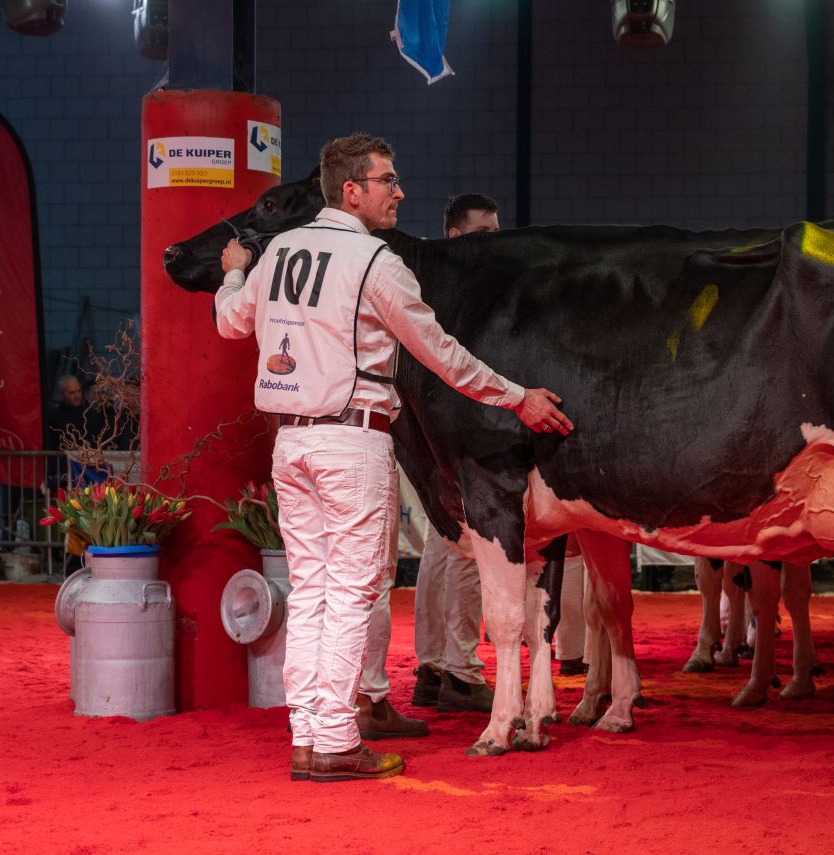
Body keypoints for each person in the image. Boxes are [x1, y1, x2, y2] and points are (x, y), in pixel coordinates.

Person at [213, 133, 572, 783]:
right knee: (351, 593)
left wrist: (235, 269)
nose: (399, 192)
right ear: (351, 190)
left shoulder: (280, 252)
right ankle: (334, 740)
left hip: (291, 441)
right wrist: (517, 396)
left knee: (313, 591)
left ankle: (310, 735)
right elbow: (443, 355)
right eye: (388, 180)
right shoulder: (377, 262)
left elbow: (231, 320)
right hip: (351, 437)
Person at [409, 192, 507, 713]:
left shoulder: (423, 275)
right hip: (455, 419)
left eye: (496, 233)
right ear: (454, 237)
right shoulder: (455, 285)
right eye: (483, 234)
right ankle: (462, 672)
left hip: (424, 421)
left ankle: (432, 667)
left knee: (442, 541)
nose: (494, 243)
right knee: (469, 542)